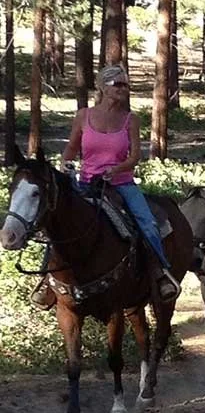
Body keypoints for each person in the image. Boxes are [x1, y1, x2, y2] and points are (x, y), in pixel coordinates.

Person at [32, 64, 180, 308]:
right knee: (57, 222)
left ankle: (159, 272)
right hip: (87, 183)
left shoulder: (131, 119)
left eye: (125, 84)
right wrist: (66, 164)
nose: (124, 89)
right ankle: (47, 280)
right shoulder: (83, 116)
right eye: (118, 84)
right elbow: (71, 147)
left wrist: (116, 170)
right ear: (103, 87)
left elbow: (134, 156)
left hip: (121, 184)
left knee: (148, 223)